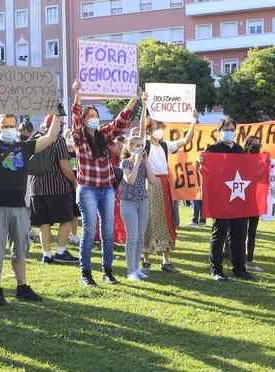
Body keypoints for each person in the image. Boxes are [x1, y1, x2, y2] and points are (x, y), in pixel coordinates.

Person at [0, 78, 62, 305]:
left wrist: (58, 113)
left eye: (10, 125)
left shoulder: (24, 146)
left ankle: (22, 287)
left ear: (16, 127)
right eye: (4, 125)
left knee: (20, 248)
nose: (7, 129)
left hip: (18, 206)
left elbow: (51, 137)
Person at [71, 79, 139, 287]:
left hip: (107, 189)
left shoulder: (104, 135)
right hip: (88, 190)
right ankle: (86, 272)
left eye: (96, 116)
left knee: (108, 232)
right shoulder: (79, 138)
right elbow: (74, 117)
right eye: (90, 116)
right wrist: (77, 94)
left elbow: (120, 122)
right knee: (90, 230)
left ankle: (107, 271)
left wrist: (133, 100)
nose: (94, 119)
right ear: (83, 120)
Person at [140, 92, 199, 275]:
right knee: (149, 219)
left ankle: (166, 260)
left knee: (168, 220)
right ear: (150, 130)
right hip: (150, 184)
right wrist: (143, 105)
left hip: (165, 185)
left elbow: (186, 140)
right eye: (157, 127)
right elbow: (141, 128)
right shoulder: (145, 143)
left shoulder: (166, 146)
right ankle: (146, 260)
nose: (160, 130)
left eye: (161, 127)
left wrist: (193, 121)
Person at [197, 116, 253, 282]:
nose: (230, 132)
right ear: (219, 131)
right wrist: (201, 164)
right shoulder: (212, 150)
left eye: (232, 129)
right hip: (220, 200)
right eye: (226, 129)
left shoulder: (240, 151)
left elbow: (249, 171)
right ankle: (216, 270)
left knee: (239, 235)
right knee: (219, 235)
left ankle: (239, 268)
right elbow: (205, 174)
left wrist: (264, 163)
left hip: (239, 200)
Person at [30, 115, 79, 264]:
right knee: (66, 218)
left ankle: (46, 254)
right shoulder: (58, 140)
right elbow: (64, 164)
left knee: (44, 222)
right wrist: (74, 180)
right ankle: (61, 251)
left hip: (36, 187)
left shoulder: (34, 139)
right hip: (57, 185)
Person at [119, 136, 157, 281]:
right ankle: (130, 271)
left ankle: (136, 267)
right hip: (128, 202)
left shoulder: (144, 163)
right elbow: (130, 180)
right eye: (137, 145)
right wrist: (137, 161)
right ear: (130, 147)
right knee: (132, 236)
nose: (141, 148)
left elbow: (153, 181)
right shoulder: (125, 163)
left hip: (143, 201)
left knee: (140, 237)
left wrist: (145, 161)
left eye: (142, 145)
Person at [242, 135, 264, 273]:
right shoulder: (239, 159)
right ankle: (238, 258)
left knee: (252, 232)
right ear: (247, 145)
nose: (257, 147)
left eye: (259, 145)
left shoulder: (260, 161)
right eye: (254, 144)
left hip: (254, 200)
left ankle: (249, 260)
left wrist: (268, 163)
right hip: (240, 199)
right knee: (239, 233)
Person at [64, 128, 80, 244]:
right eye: (68, 136)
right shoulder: (63, 152)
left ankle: (74, 235)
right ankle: (65, 233)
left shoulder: (77, 152)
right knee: (66, 211)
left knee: (75, 212)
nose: (71, 139)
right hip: (65, 183)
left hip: (77, 184)